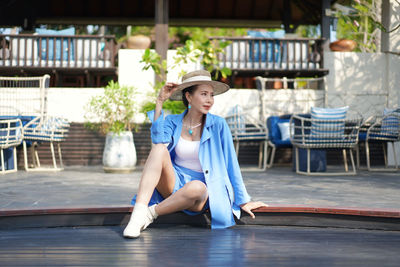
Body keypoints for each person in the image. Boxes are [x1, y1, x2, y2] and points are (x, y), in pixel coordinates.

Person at [123, 70, 267, 238]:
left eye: (211, 95)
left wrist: (243, 200)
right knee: (160, 148)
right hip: (173, 182)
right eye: (204, 94)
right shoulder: (172, 122)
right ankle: (138, 214)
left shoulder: (218, 125)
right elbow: (157, 140)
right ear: (189, 97)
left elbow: (231, 163)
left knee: (196, 188)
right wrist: (160, 101)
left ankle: (149, 214)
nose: (209, 100)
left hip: (200, 192)